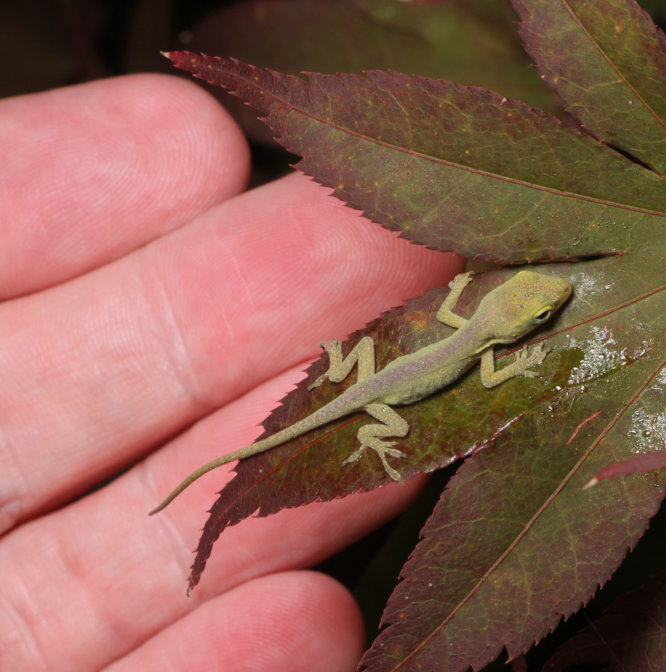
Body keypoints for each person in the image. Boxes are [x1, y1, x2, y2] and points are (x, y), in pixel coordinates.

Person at [0, 73, 462, 670]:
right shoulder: (475, 342)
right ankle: (374, 436)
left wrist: (346, 357)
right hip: (372, 402)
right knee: (381, 429)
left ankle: (358, 398)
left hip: (371, 384)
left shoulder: (460, 323)